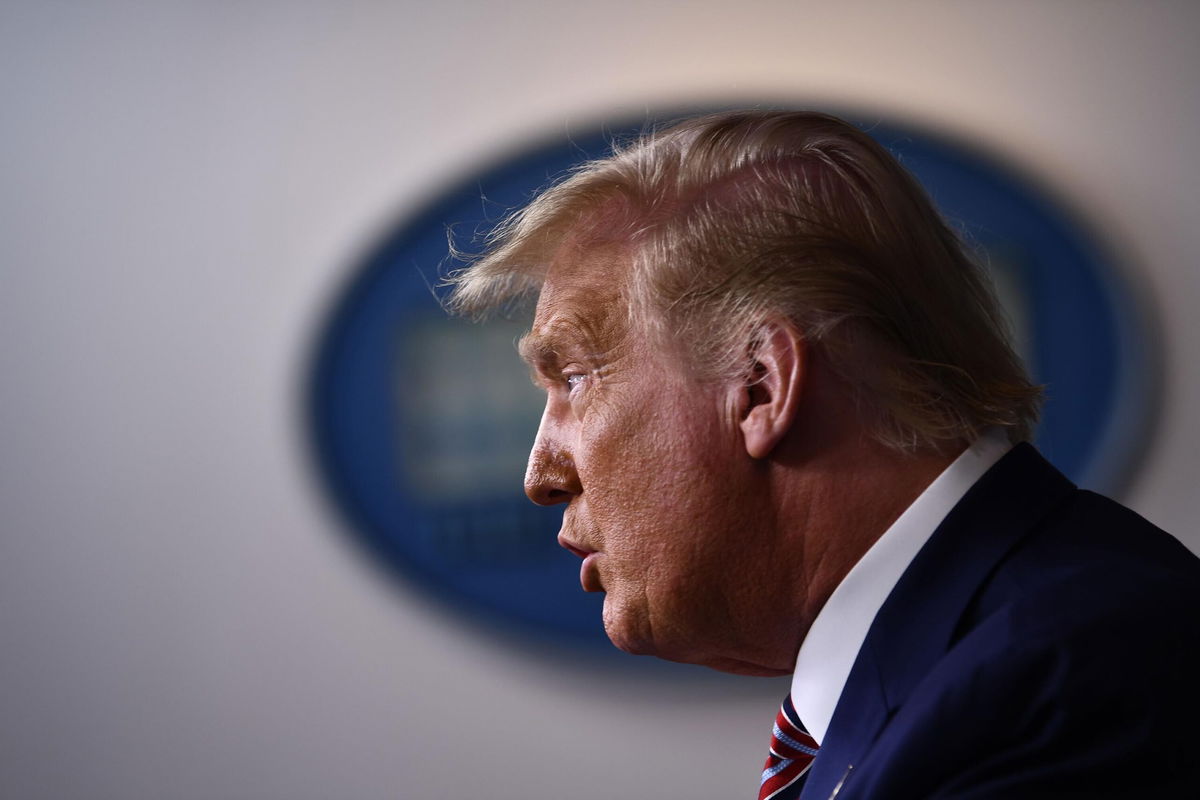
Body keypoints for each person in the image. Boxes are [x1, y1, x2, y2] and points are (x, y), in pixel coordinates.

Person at [445, 111, 1200, 799]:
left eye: (574, 377)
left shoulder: (1064, 683)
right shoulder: (991, 664)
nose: (540, 474)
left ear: (761, 387)